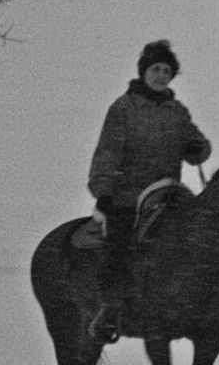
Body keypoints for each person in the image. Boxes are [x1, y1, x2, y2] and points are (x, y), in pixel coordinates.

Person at [87, 40, 212, 342]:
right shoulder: (123, 108)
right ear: (144, 71)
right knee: (120, 244)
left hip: (168, 194)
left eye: (167, 71)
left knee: (203, 236)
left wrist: (198, 148)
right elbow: (107, 152)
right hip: (129, 195)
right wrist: (104, 192)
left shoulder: (176, 111)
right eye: (156, 69)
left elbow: (197, 144)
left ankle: (211, 308)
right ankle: (110, 310)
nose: (161, 76)